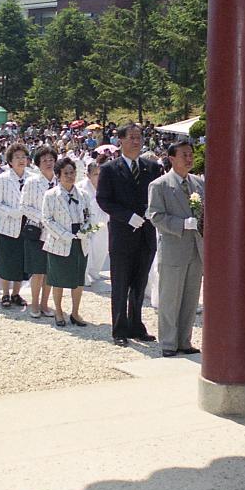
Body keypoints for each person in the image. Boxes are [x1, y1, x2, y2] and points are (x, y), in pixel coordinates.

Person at [97, 123, 161, 347]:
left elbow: (156, 196)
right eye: (132, 137)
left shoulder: (151, 168)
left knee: (139, 283)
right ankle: (119, 328)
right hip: (123, 234)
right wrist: (127, 216)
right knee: (121, 284)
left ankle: (136, 325)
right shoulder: (109, 169)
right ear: (121, 141)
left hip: (145, 233)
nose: (137, 141)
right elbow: (103, 200)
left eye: (139, 137)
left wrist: (149, 213)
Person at [147, 141, 204, 358]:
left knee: (190, 298)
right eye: (184, 155)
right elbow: (155, 215)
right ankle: (169, 343)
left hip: (195, 248)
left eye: (191, 155)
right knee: (170, 298)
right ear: (171, 158)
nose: (189, 159)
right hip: (173, 248)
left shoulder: (198, 183)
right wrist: (181, 224)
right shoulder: (159, 185)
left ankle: (184, 340)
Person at [41, 157, 94, 328]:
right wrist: (64, 234)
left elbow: (90, 216)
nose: (70, 176)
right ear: (58, 175)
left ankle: (76, 312)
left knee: (78, 279)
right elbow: (47, 219)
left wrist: (85, 231)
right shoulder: (50, 195)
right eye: (66, 173)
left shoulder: (83, 195)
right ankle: (58, 310)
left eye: (72, 173)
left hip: (80, 241)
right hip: (59, 241)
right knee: (58, 279)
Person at [0, 143, 31, 308]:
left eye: (23, 157)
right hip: (7, 225)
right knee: (6, 260)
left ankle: (16, 293)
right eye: (17, 157)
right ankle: (5, 294)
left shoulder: (32, 178)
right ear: (10, 161)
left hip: (27, 225)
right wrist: (12, 212)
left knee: (22, 261)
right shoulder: (2, 179)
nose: (21, 160)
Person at [20, 146, 59, 318]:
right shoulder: (32, 182)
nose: (49, 163)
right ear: (38, 164)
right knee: (38, 271)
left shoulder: (59, 181)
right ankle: (34, 303)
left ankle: (45, 303)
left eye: (51, 160)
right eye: (44, 160)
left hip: (56, 234)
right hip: (37, 231)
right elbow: (24, 206)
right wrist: (43, 218)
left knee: (50, 271)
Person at [79, 161, 109, 286]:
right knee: (87, 250)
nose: (99, 177)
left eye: (100, 174)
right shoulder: (81, 187)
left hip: (102, 222)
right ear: (88, 175)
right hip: (87, 224)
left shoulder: (106, 185)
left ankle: (95, 271)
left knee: (101, 248)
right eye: (95, 174)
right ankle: (83, 275)